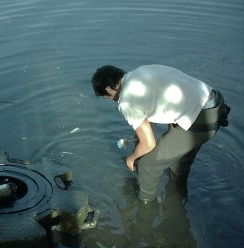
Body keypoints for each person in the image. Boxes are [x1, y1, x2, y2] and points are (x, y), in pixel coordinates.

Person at [92, 64, 229, 203]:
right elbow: (155, 105)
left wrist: (131, 159)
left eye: (106, 97)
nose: (109, 99)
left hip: (200, 119)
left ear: (108, 88)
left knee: (148, 165)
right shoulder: (142, 71)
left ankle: (146, 206)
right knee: (178, 163)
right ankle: (178, 198)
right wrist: (140, 135)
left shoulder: (126, 101)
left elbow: (149, 144)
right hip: (214, 103)